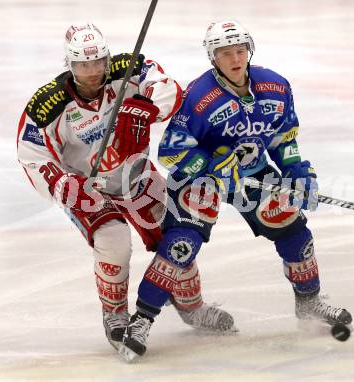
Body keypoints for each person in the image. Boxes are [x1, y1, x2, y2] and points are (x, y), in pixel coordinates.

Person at [117, 20, 353, 362]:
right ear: (213, 57)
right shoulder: (199, 96)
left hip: (252, 176)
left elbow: (283, 138)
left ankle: (310, 302)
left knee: (295, 233)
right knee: (180, 246)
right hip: (202, 181)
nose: (235, 58)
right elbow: (172, 150)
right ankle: (141, 320)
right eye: (226, 53)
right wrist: (211, 164)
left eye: (240, 50)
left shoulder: (275, 85)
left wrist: (295, 171)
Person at [16, 23, 234, 353]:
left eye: (98, 63)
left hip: (137, 177)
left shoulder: (129, 70)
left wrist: (143, 109)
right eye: (82, 66)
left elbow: (171, 91)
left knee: (175, 233)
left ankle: (191, 305)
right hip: (88, 189)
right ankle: (115, 315)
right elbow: (32, 156)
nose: (92, 73)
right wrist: (67, 186)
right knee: (113, 239)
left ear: (106, 58)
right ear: (70, 66)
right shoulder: (47, 105)